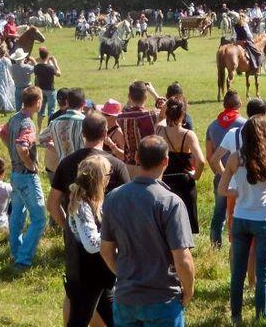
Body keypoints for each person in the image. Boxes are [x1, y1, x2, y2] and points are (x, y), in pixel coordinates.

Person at [100, 136, 195, 326]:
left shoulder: (113, 197)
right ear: (165, 161)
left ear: (136, 158)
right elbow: (182, 257)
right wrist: (188, 291)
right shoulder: (170, 202)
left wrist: (124, 274)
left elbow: (105, 249)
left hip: (125, 298)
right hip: (162, 299)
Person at [48, 113, 131, 325]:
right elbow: (126, 208)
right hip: (93, 259)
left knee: (105, 304)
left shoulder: (68, 162)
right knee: (81, 313)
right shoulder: (115, 165)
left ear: (82, 133)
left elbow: (53, 203)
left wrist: (69, 229)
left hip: (88, 258)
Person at [216, 116, 266, 321]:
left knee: (238, 273)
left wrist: (239, 193)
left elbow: (222, 189)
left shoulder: (235, 158)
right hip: (264, 219)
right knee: (264, 274)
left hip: (241, 218)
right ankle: (262, 317)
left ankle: (236, 316)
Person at [65, 155, 117, 327]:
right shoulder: (81, 204)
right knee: (79, 322)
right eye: (108, 175)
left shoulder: (96, 200)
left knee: (115, 320)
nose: (109, 179)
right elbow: (91, 244)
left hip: (101, 273)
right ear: (100, 179)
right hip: (87, 276)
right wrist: (116, 243)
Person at [0, 85, 44, 268]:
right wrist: (29, 163)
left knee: (17, 216)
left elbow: (2, 132)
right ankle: (23, 259)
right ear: (38, 103)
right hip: (26, 175)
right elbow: (22, 146)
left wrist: (11, 149)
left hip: (15, 175)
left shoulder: (15, 118)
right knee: (40, 219)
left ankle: (16, 251)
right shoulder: (28, 123)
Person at [157, 97, 205, 234]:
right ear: (183, 114)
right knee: (186, 225)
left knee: (166, 224)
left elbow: (160, 119)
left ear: (168, 113)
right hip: (184, 182)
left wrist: (163, 108)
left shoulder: (160, 131)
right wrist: (196, 176)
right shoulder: (188, 135)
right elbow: (201, 161)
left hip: (165, 180)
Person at [205, 89, 245, 247]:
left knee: (219, 212)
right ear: (239, 104)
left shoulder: (212, 126)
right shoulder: (245, 124)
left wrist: (222, 174)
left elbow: (209, 155)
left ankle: (215, 246)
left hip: (221, 176)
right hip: (241, 176)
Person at [39, 88, 86, 181]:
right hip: (82, 171)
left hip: (63, 169)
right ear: (83, 104)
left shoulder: (55, 122)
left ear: (67, 102)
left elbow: (41, 138)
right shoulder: (86, 122)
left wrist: (56, 147)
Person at [117, 81, 165, 172]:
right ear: (146, 97)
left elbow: (126, 109)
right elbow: (167, 107)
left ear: (129, 96)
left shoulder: (120, 118)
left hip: (128, 166)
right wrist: (154, 94)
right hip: (150, 166)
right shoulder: (153, 115)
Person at [34, 47, 61, 131]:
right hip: (50, 90)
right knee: (51, 111)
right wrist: (55, 63)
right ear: (47, 56)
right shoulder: (50, 67)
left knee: (40, 111)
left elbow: (37, 63)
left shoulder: (37, 67)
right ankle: (50, 129)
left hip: (40, 90)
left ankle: (39, 130)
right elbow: (59, 74)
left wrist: (40, 59)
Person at [0, 45, 16, 114]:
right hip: (6, 79)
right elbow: (11, 70)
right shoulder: (8, 60)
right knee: (6, 92)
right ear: (5, 52)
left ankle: (0, 108)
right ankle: (5, 107)